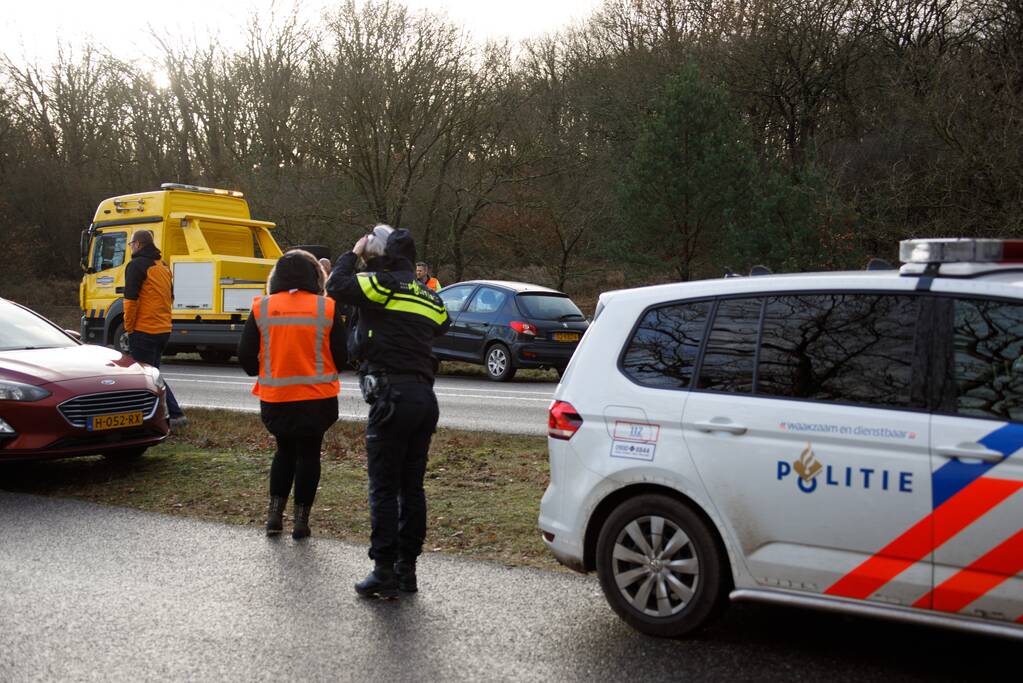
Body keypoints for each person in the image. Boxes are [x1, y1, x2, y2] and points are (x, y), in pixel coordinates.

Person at [327, 225, 449, 598]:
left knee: (383, 488)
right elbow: (443, 325)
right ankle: (407, 570)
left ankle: (383, 571)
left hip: (391, 397)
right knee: (412, 488)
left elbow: (336, 285)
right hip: (424, 398)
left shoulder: (381, 285)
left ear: (388, 255)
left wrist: (353, 252)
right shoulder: (430, 297)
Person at [237, 249, 345, 539]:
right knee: (309, 455)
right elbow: (342, 356)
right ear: (316, 276)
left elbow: (246, 357)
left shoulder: (262, 307)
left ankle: (274, 517)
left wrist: (264, 367)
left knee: (284, 451)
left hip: (276, 398)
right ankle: (301, 521)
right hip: (318, 398)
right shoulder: (327, 308)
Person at [123, 229, 186, 426]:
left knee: (147, 378)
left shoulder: (136, 266)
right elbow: (171, 297)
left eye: (131, 244)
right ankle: (159, 415)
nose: (131, 248)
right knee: (153, 374)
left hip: (144, 330)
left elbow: (130, 301)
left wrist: (129, 328)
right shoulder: (163, 266)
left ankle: (174, 415)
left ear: (138, 244)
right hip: (163, 329)